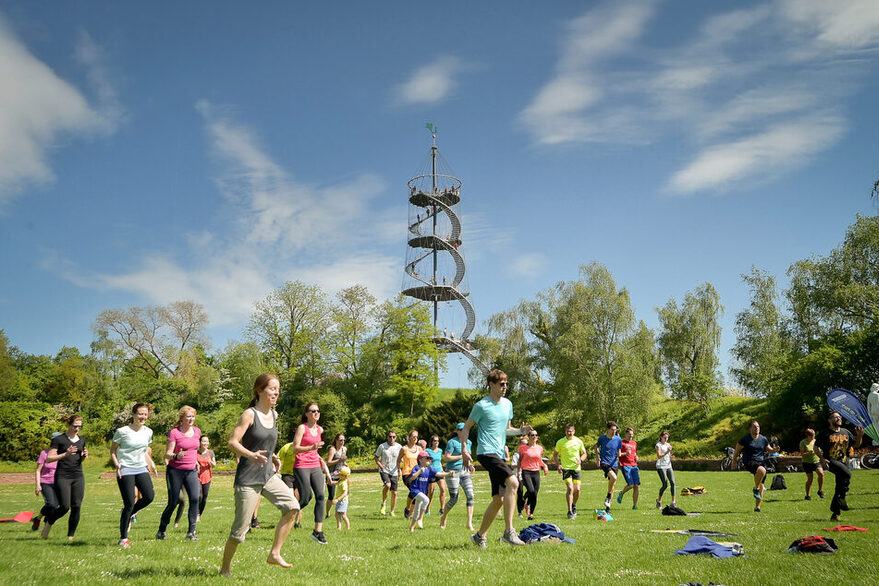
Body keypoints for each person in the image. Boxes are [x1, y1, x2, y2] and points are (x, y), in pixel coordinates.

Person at [220, 374, 300, 577]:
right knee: (239, 533)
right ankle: (224, 570)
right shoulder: (249, 414)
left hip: (267, 476)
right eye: (272, 388)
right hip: (248, 479)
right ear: (259, 390)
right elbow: (233, 442)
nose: (276, 392)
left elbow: (263, 443)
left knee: (292, 507)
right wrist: (250, 455)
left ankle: (274, 553)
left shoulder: (274, 415)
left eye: (278, 389)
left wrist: (272, 457)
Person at [459, 369, 532, 548]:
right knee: (514, 483)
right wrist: (464, 449)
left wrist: (521, 431)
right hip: (486, 453)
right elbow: (466, 428)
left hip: (499, 454)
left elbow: (506, 430)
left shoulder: (508, 404)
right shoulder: (481, 406)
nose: (505, 387)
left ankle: (479, 536)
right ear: (491, 385)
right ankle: (509, 532)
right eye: (502, 384)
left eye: (506, 384)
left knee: (499, 500)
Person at [111, 403, 159, 547]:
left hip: (141, 467)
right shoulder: (122, 431)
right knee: (129, 502)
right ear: (133, 415)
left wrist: (152, 464)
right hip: (125, 468)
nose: (143, 417)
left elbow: (144, 451)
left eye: (145, 414)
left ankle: (130, 512)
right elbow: (113, 450)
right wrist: (117, 464)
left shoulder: (148, 432)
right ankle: (123, 538)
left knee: (149, 496)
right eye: (140, 414)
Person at [41, 414, 89, 540]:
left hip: (78, 476)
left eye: (79, 426)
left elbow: (80, 459)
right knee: (64, 507)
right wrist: (65, 454)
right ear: (68, 425)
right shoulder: (59, 440)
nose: (77, 429)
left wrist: (84, 456)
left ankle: (70, 537)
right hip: (63, 476)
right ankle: (49, 521)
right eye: (75, 426)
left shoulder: (82, 440)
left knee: (77, 506)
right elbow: (49, 458)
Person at [157, 406, 201, 540]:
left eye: (192, 416)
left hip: (191, 471)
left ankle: (191, 532)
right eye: (188, 416)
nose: (191, 419)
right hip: (175, 471)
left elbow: (195, 450)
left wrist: (196, 461)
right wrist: (176, 456)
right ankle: (161, 530)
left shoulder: (197, 431)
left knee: (195, 499)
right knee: (173, 502)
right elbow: (168, 454)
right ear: (182, 418)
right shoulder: (174, 433)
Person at [292, 402, 333, 545]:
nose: (316, 413)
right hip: (301, 465)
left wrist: (318, 456)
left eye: (318, 411)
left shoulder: (320, 429)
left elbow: (316, 450)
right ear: (307, 414)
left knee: (321, 496)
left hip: (315, 465)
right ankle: (289, 513)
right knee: (305, 498)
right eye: (313, 411)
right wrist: (311, 447)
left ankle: (318, 532)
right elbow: (295, 448)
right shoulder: (301, 428)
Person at [815, 411, 864, 521]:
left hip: (844, 461)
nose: (839, 419)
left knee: (840, 485)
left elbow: (856, 445)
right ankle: (842, 498)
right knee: (848, 474)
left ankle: (835, 512)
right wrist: (822, 460)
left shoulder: (845, 432)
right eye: (836, 417)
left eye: (840, 417)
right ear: (829, 420)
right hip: (831, 461)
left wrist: (859, 436)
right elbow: (815, 447)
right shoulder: (825, 433)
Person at [407, 452, 454, 532]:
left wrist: (448, 474)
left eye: (429, 459)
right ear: (421, 460)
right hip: (415, 490)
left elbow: (438, 474)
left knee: (417, 510)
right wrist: (419, 472)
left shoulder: (429, 469)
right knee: (426, 500)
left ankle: (412, 528)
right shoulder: (416, 468)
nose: (429, 461)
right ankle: (420, 519)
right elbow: (411, 478)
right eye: (427, 459)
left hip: (422, 491)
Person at [441, 423, 475, 531]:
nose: (463, 431)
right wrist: (461, 456)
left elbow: (468, 458)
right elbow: (446, 458)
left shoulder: (468, 442)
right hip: (453, 472)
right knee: (454, 499)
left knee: (470, 495)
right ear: (457, 431)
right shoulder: (452, 442)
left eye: (465, 429)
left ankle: (469, 523)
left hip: (465, 472)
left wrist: (470, 465)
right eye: (461, 429)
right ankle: (444, 517)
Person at [731, 420, 769, 513]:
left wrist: (774, 449)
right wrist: (734, 462)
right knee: (762, 471)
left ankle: (757, 507)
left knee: (761, 485)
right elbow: (736, 451)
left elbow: (769, 449)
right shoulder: (745, 439)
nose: (757, 428)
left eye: (758, 427)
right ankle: (755, 489)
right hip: (749, 462)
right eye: (754, 427)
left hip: (761, 462)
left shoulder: (763, 439)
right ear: (750, 429)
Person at [552, 424, 587, 519]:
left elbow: (584, 454)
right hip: (566, 468)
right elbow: (555, 455)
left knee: (578, 489)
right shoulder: (560, 442)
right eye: (567, 431)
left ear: (574, 431)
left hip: (576, 468)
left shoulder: (578, 441)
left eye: (571, 431)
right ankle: (569, 511)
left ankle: (574, 505)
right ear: (565, 431)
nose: (569, 432)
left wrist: (581, 460)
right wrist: (558, 464)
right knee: (570, 488)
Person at [31, 433, 62, 532]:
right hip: (45, 482)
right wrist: (37, 485)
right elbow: (38, 470)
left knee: (55, 506)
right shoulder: (44, 453)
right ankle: (44, 523)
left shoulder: (62, 454)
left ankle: (38, 518)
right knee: (51, 504)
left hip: (58, 483)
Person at [518, 430, 549, 520]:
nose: (534, 436)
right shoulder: (523, 448)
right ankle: (524, 500)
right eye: (532, 435)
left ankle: (531, 513)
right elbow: (520, 460)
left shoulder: (539, 448)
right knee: (531, 491)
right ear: (528, 437)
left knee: (535, 493)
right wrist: (519, 471)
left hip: (536, 471)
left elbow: (539, 460)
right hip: (526, 471)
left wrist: (545, 466)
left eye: (536, 435)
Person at [595, 421, 623, 512]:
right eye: (612, 429)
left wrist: (629, 454)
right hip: (605, 463)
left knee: (613, 485)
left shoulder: (618, 439)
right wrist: (597, 459)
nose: (613, 431)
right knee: (614, 478)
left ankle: (608, 508)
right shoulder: (602, 438)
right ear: (607, 429)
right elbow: (596, 447)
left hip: (614, 464)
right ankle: (607, 497)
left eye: (615, 430)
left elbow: (619, 454)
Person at [374, 430, 402, 516]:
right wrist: (380, 466)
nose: (392, 438)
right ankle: (383, 503)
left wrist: (400, 469)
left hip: (394, 471)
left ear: (396, 438)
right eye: (390, 436)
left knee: (395, 492)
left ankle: (392, 511)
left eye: (393, 437)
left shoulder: (399, 447)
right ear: (387, 437)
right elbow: (376, 458)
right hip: (384, 470)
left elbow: (401, 458)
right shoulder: (382, 446)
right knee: (387, 485)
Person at [397, 430, 420, 518]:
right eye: (413, 436)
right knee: (414, 491)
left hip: (417, 473)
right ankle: (407, 509)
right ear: (409, 437)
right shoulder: (404, 449)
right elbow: (398, 460)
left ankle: (410, 513)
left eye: (416, 437)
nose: (415, 438)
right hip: (407, 474)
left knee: (417, 493)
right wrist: (399, 470)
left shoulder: (419, 449)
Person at [616, 427, 641, 509]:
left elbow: (634, 453)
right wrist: (625, 453)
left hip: (634, 465)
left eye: (632, 434)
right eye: (629, 434)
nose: (631, 436)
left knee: (636, 485)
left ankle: (635, 505)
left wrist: (636, 456)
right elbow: (618, 454)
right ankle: (621, 493)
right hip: (625, 465)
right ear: (626, 434)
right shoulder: (621, 443)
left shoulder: (634, 443)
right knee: (630, 485)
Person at [325, 434, 348, 519]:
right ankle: (328, 513)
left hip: (341, 475)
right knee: (331, 495)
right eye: (340, 440)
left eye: (344, 440)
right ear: (336, 440)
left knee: (343, 493)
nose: (342, 442)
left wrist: (346, 464)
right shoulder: (332, 449)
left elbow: (343, 461)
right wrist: (339, 460)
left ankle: (341, 512)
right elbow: (328, 462)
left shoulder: (344, 449)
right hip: (332, 475)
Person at [800, 428, 824, 500]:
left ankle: (820, 491)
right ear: (808, 435)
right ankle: (807, 495)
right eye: (812, 435)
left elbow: (820, 450)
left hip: (816, 461)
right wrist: (808, 453)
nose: (813, 436)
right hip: (807, 462)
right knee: (810, 479)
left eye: (814, 435)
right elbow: (802, 454)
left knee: (821, 474)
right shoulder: (803, 442)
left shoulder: (816, 441)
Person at [196, 435, 216, 521]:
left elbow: (214, 465)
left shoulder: (210, 452)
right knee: (199, 496)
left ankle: (200, 513)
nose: (206, 443)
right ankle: (196, 515)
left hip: (207, 477)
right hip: (197, 477)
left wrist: (210, 461)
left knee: (204, 497)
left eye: (207, 441)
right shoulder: (195, 452)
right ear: (200, 442)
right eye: (204, 441)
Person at [425, 435, 446, 515]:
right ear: (431, 442)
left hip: (439, 472)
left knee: (443, 489)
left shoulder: (440, 451)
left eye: (438, 441)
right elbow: (426, 461)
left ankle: (442, 509)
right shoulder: (428, 450)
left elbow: (439, 461)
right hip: (431, 473)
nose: (436, 442)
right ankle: (427, 509)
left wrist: (442, 469)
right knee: (430, 491)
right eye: (435, 441)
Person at [655, 430, 676, 509]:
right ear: (661, 437)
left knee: (673, 483)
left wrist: (671, 457)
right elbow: (659, 456)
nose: (666, 439)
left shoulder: (668, 445)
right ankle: (659, 500)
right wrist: (667, 451)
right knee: (665, 484)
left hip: (668, 466)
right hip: (661, 466)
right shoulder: (658, 445)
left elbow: (667, 455)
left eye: (667, 438)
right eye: (665, 438)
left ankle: (673, 502)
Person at [511, 436, 528, 517]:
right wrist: (518, 465)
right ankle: (520, 512)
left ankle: (524, 500)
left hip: (527, 474)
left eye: (526, 444)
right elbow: (512, 466)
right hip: (518, 476)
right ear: (520, 445)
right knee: (520, 493)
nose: (525, 446)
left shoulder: (528, 454)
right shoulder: (516, 454)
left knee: (532, 490)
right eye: (523, 444)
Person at [331, 465, 351, 530]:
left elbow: (345, 493)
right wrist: (331, 483)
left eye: (340, 474)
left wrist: (337, 499)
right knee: (337, 514)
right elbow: (337, 483)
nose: (338, 475)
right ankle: (339, 527)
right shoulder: (341, 481)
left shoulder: (344, 483)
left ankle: (348, 527)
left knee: (343, 515)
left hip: (342, 501)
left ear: (344, 476)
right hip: (340, 501)